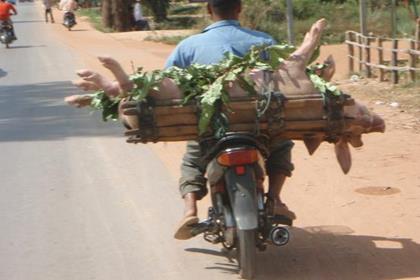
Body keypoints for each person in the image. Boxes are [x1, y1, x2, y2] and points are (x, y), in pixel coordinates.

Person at [165, 0, 296, 240]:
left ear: (208, 10)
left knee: (193, 159)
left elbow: (168, 85)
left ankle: (190, 209)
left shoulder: (187, 47)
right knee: (281, 145)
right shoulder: (265, 42)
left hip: (211, 129)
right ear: (240, 8)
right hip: (258, 127)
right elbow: (285, 82)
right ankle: (275, 199)